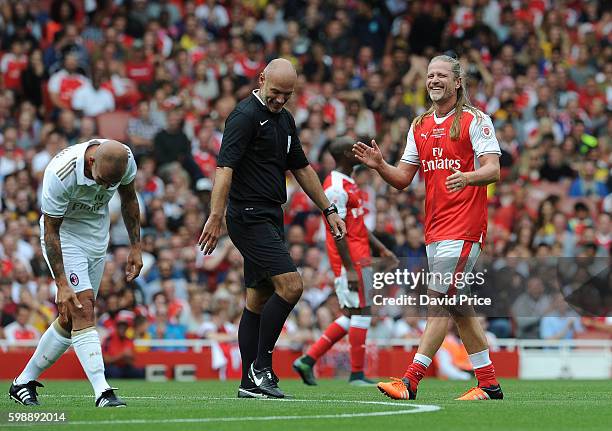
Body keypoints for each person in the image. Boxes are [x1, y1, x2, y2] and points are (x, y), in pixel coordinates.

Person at [353, 54, 504, 401]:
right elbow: (403, 179)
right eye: (430, 75)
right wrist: (379, 166)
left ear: (457, 82)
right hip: (435, 230)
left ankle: (409, 381)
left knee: (438, 301)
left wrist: (467, 176)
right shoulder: (419, 125)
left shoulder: (475, 120)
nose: (434, 80)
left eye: (441, 75)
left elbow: (493, 169)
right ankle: (489, 384)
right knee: (457, 306)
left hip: (465, 227)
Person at [198, 58, 346, 399]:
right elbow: (224, 168)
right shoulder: (244, 116)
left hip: (269, 214)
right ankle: (261, 367)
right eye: (276, 92)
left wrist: (328, 209)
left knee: (258, 299)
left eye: (288, 94)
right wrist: (215, 215)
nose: (280, 99)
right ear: (262, 79)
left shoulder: (285, 119)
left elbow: (302, 168)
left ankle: (249, 384)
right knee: (292, 286)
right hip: (247, 215)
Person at [9, 139, 142, 408]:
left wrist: (136, 246)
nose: (105, 187)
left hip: (96, 239)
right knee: (84, 309)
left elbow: (129, 199)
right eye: (103, 180)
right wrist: (61, 283)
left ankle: (22, 382)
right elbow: (51, 232)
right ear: (92, 162)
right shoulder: (60, 173)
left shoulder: (125, 160)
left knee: (71, 319)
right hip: (65, 238)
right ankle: (103, 391)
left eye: (110, 184)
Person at [293, 137, 398, 386]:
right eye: (355, 150)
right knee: (362, 312)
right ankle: (357, 374)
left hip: (360, 255)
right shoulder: (335, 187)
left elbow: (357, 224)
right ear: (344, 156)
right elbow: (336, 230)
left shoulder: (349, 183)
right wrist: (349, 269)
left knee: (353, 314)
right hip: (351, 260)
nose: (360, 151)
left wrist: (381, 249)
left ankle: (307, 360)